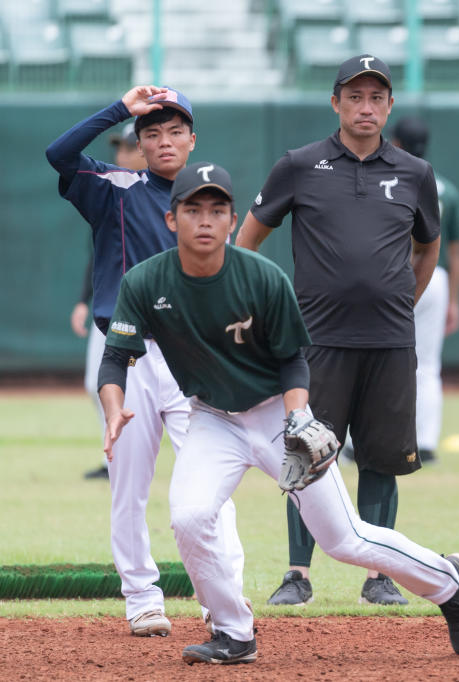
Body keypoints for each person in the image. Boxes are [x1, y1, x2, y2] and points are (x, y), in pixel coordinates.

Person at [98, 161, 459, 664]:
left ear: (233, 220)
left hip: (276, 415)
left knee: (343, 539)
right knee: (190, 517)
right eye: (193, 209)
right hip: (212, 418)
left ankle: (448, 582)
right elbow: (115, 357)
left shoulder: (260, 278)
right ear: (173, 220)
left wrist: (299, 418)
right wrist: (113, 409)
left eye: (217, 209)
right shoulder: (146, 282)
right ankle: (235, 632)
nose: (206, 220)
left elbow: (293, 360)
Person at [236, 55, 441, 607]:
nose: (366, 107)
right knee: (305, 454)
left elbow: (428, 248)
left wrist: (402, 300)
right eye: (355, 97)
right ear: (336, 103)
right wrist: (263, 307)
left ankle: (380, 576)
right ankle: (296, 574)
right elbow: (246, 241)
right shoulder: (299, 166)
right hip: (316, 342)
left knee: (381, 459)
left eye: (376, 97)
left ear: (390, 106)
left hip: (390, 341)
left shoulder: (414, 174)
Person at [46, 86, 243, 637]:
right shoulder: (116, 188)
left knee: (210, 483)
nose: (164, 140)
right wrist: (119, 108)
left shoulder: (209, 201)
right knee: (127, 484)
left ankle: (220, 596)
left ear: (192, 139)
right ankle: (141, 597)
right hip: (129, 358)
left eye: (175, 130)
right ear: (139, 142)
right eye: (152, 132)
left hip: (194, 358)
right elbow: (58, 155)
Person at [390, 116, 459, 464]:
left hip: (391, 274)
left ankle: (352, 443)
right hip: (434, 276)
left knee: (368, 358)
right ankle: (425, 443)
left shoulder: (389, 180)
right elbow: (455, 253)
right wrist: (453, 300)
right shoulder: (445, 189)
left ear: (395, 143)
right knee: (427, 365)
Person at [71, 122, 147, 480]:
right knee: (95, 383)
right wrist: (84, 300)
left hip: (151, 316)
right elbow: (99, 254)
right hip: (110, 307)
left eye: (128, 146)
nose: (121, 152)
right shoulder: (110, 189)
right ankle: (114, 455)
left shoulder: (162, 195)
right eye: (119, 147)